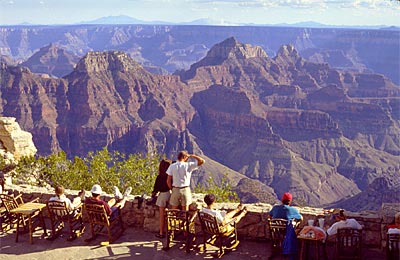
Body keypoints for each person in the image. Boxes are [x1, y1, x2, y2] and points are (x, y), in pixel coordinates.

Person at [152, 159, 172, 238]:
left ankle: (161, 232)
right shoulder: (170, 176)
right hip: (170, 194)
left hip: (163, 196)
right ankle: (171, 231)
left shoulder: (159, 177)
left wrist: (153, 196)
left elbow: (155, 189)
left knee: (162, 215)